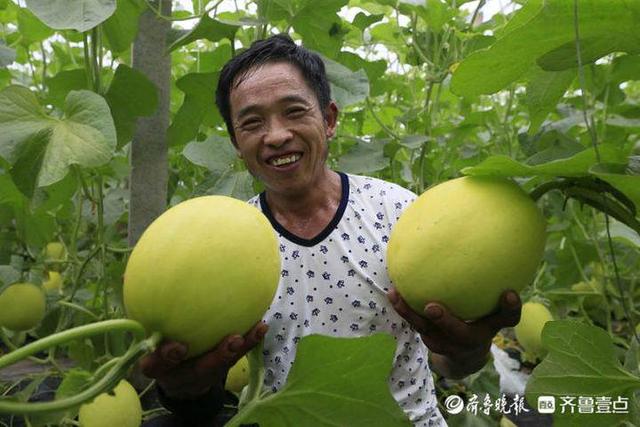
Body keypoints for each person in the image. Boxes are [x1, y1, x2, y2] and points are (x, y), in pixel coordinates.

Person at [140, 34, 522, 427]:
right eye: (252, 122)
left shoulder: (397, 212)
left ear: (329, 119)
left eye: (293, 111)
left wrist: (469, 348)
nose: (276, 135)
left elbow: (450, 364)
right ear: (237, 143)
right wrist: (183, 388)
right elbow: (207, 393)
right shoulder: (222, 245)